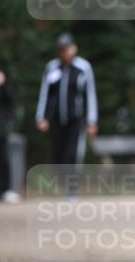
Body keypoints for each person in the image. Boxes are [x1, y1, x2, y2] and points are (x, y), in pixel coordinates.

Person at [36, 34, 98, 166]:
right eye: (61, 49)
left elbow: (90, 95)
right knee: (57, 154)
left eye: (66, 48)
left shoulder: (83, 68)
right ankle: (59, 184)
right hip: (56, 119)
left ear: (74, 48)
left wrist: (91, 121)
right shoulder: (52, 67)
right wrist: (41, 117)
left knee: (73, 154)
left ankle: (71, 186)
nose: (64, 52)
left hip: (75, 120)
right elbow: (45, 93)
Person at [0, 68, 19, 203]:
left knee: (3, 158)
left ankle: (5, 190)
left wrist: (3, 84)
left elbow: (12, 101)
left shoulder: (1, 85)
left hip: (0, 129)